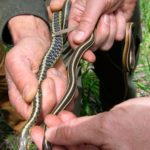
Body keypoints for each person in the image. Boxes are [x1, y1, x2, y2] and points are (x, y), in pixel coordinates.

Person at [0, 0, 148, 149]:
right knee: (62, 99)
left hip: (111, 15)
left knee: (116, 74)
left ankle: (118, 108)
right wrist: (29, 27)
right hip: (58, 14)